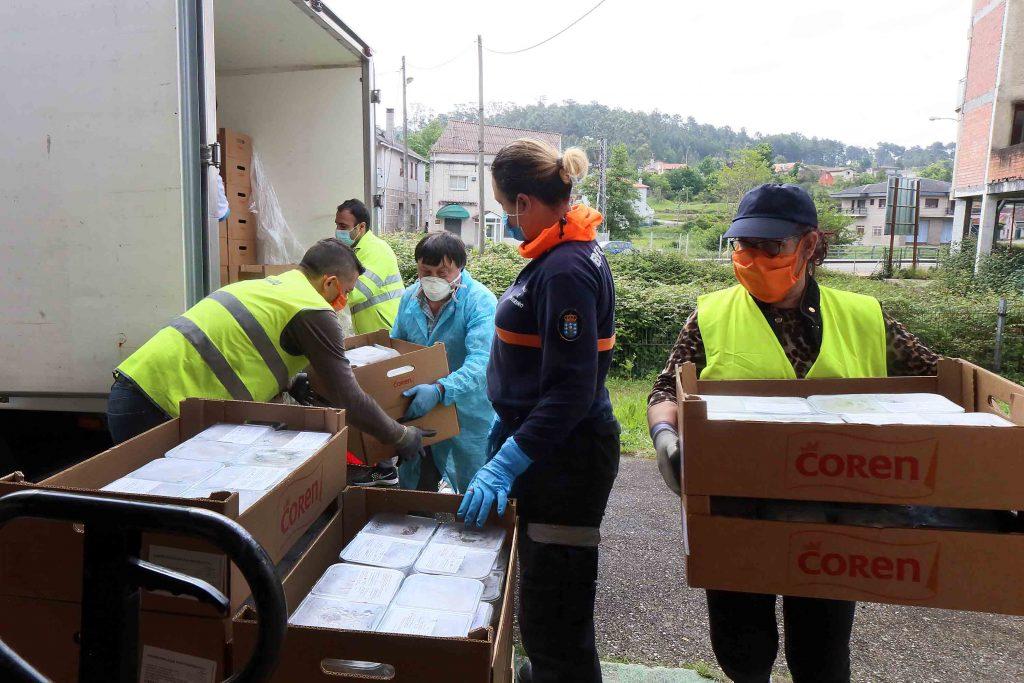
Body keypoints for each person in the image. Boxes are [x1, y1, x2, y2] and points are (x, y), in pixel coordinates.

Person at [646, 183, 940, 683]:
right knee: (743, 651)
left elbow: (942, 383)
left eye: (771, 247)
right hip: (736, 511)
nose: (754, 258)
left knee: (821, 657)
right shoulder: (712, 315)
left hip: (835, 515)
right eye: (744, 245)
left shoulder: (864, 317)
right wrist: (665, 440)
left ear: (809, 245)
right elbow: (664, 389)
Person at [458, 139, 620, 683]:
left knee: (556, 612)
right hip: (548, 450)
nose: (507, 221)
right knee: (545, 603)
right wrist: (508, 433)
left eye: (505, 210)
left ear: (526, 202)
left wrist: (508, 459)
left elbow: (572, 390)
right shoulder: (559, 251)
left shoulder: (566, 269)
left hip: (567, 461)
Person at [108, 238, 432, 473]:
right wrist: (400, 434)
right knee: (161, 519)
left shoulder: (270, 288)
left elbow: (244, 348)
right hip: (155, 408)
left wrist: (292, 380)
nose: (344, 299)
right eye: (346, 291)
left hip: (137, 391)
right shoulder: (313, 309)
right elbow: (345, 394)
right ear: (329, 282)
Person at [386, 232, 497, 492]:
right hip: (419, 408)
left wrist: (440, 389)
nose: (433, 279)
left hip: (467, 410)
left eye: (443, 272)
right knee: (416, 484)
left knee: (473, 486)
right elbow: (396, 347)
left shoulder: (480, 302)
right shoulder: (410, 298)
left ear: (460, 268)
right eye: (426, 271)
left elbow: (482, 363)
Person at [334, 198, 404, 334]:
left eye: (343, 226)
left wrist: (320, 294)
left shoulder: (376, 250)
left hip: (388, 331)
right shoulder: (354, 251)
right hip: (372, 332)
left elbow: (358, 291)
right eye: (337, 225)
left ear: (361, 227)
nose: (337, 230)